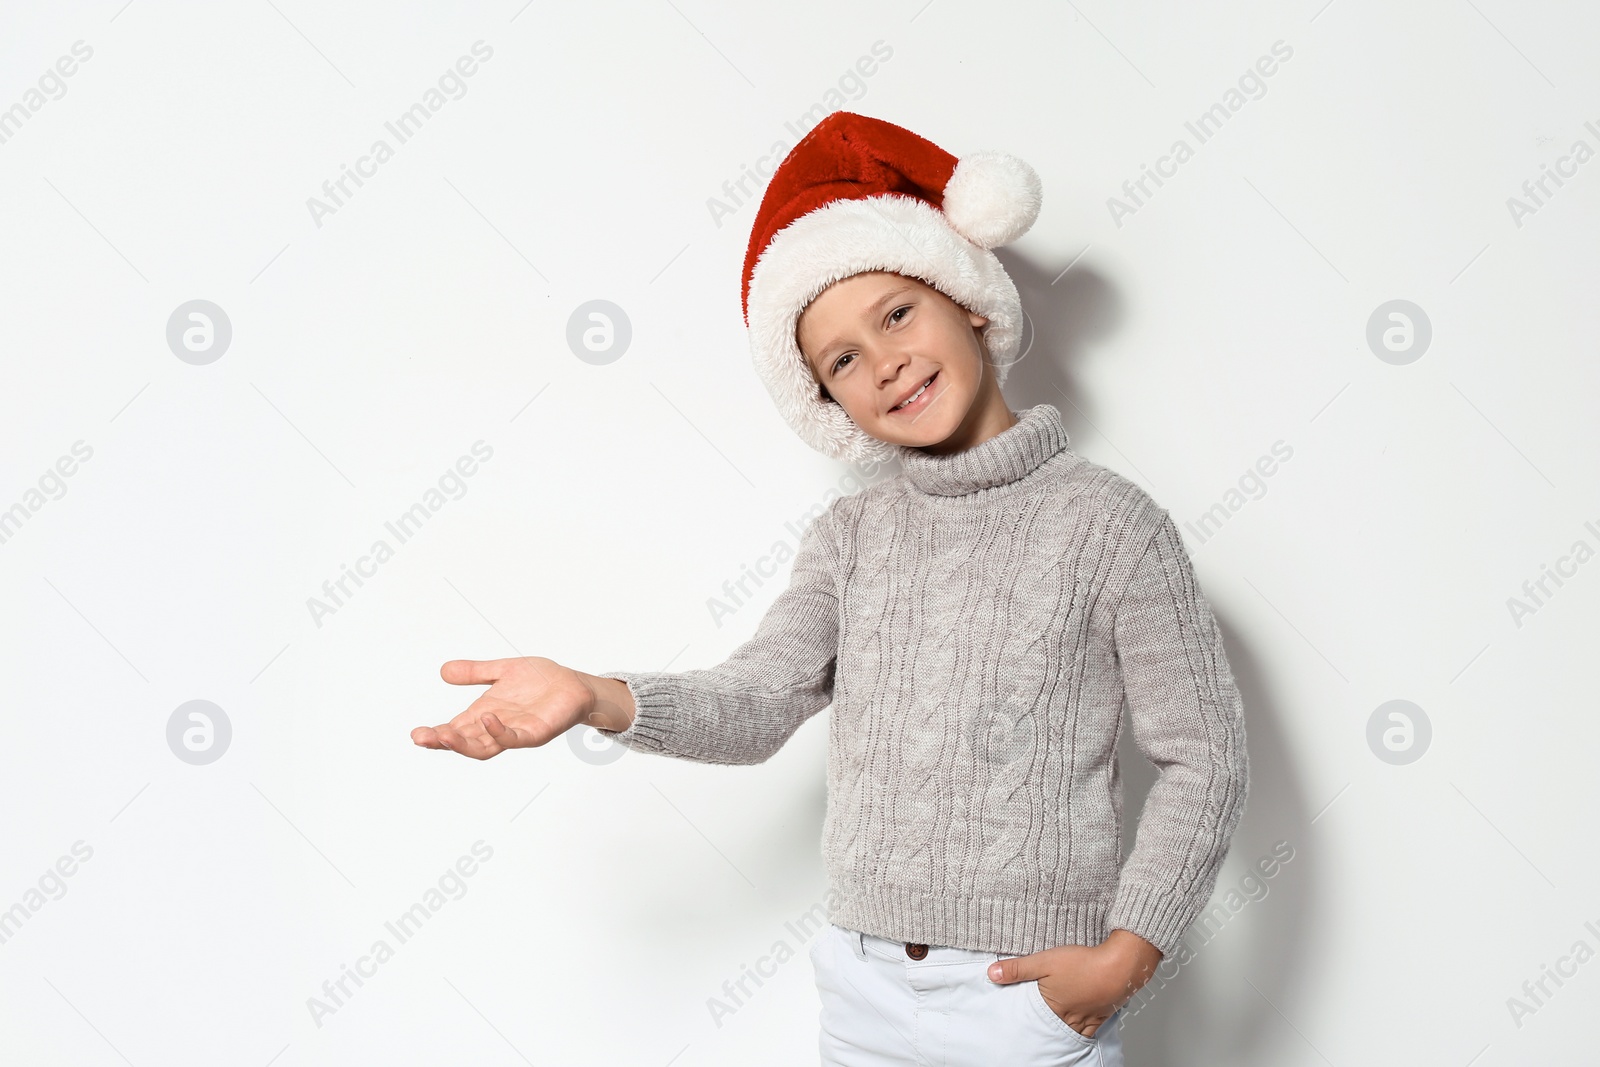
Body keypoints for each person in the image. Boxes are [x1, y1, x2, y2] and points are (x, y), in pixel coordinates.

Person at [412, 111, 1250, 1066]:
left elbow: (1206, 756)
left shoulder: (1110, 524)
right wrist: (598, 695)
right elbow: (761, 700)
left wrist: (1129, 954)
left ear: (969, 302)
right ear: (829, 401)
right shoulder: (852, 537)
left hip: (1027, 997)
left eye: (897, 313)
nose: (884, 360)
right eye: (841, 359)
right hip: (863, 996)